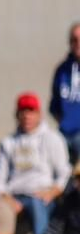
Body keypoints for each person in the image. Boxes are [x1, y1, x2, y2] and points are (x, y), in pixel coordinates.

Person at [0, 91, 69, 234]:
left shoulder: (52, 138)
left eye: (31, 111)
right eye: (23, 111)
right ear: (17, 114)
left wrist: (53, 192)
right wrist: (6, 198)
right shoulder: (8, 142)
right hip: (14, 196)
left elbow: (64, 172)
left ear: (39, 114)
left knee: (37, 205)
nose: (27, 116)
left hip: (41, 195)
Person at [48, 23, 80, 161]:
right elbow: (54, 104)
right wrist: (64, 122)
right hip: (64, 133)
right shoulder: (62, 70)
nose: (78, 44)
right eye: (74, 40)